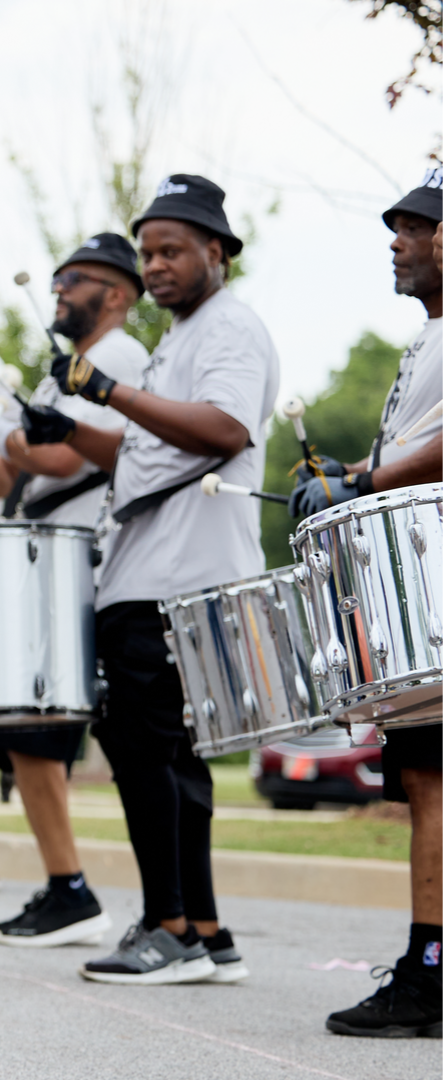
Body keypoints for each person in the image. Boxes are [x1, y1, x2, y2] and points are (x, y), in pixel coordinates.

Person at [25, 174, 277, 985]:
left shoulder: (228, 328)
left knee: (145, 753)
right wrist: (71, 426)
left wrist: (111, 391)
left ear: (218, 251)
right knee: (174, 759)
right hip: (153, 567)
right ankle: (205, 928)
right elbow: (146, 454)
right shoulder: (182, 338)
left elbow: (225, 430)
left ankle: (166, 927)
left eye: (173, 250)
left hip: (176, 573)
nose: (158, 266)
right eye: (149, 251)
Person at [0, 233, 150, 945]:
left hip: (78, 554)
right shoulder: (72, 369)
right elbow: (13, 474)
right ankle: (67, 887)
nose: (58, 289)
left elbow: (58, 457)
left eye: (75, 280)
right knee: (28, 733)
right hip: (48, 551)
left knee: (40, 728)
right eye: (56, 279)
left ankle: (83, 893)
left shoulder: (116, 360)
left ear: (116, 294)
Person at [305, 171, 440, 1038]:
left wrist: (362, 479)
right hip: (422, 595)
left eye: (417, 228)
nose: (397, 241)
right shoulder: (428, 341)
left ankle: (430, 974)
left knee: (435, 782)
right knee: (428, 780)